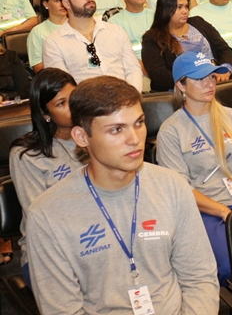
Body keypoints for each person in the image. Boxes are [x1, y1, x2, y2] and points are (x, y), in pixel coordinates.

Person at [26, 76, 219, 313]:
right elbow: (62, 310)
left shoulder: (174, 187)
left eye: (139, 123)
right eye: (116, 129)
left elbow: (200, 279)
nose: (134, 139)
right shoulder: (47, 216)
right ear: (81, 137)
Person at [157, 51, 232, 284]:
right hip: (207, 210)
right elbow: (180, 189)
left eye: (212, 76)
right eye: (199, 78)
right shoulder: (171, 130)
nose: (209, 83)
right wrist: (224, 212)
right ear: (181, 86)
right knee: (229, 266)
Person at [9, 69, 79, 285]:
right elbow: (39, 218)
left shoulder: (96, 138)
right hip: (49, 251)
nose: (72, 108)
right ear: (45, 113)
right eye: (61, 103)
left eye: (74, 99)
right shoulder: (27, 155)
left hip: (99, 238)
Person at [43, 0, 142, 90]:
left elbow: (133, 69)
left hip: (126, 100)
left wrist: (132, 98)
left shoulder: (116, 31)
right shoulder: (54, 43)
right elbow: (62, 88)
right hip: (86, 104)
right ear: (66, 3)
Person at [142, 0, 232, 92]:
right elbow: (159, 74)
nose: (185, 11)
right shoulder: (152, 38)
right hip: (181, 91)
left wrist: (225, 70)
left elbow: (224, 49)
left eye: (186, 6)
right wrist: (194, 83)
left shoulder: (199, 22)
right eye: (179, 7)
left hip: (216, 81)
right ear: (166, 9)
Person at [111, 0, 155, 67]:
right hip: (133, 67)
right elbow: (122, 55)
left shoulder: (155, 15)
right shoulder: (114, 22)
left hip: (158, 65)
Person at [28, 0, 68, 73]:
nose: (62, 4)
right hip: (56, 80)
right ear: (46, 4)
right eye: (57, 0)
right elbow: (39, 68)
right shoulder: (37, 32)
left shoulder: (78, 25)